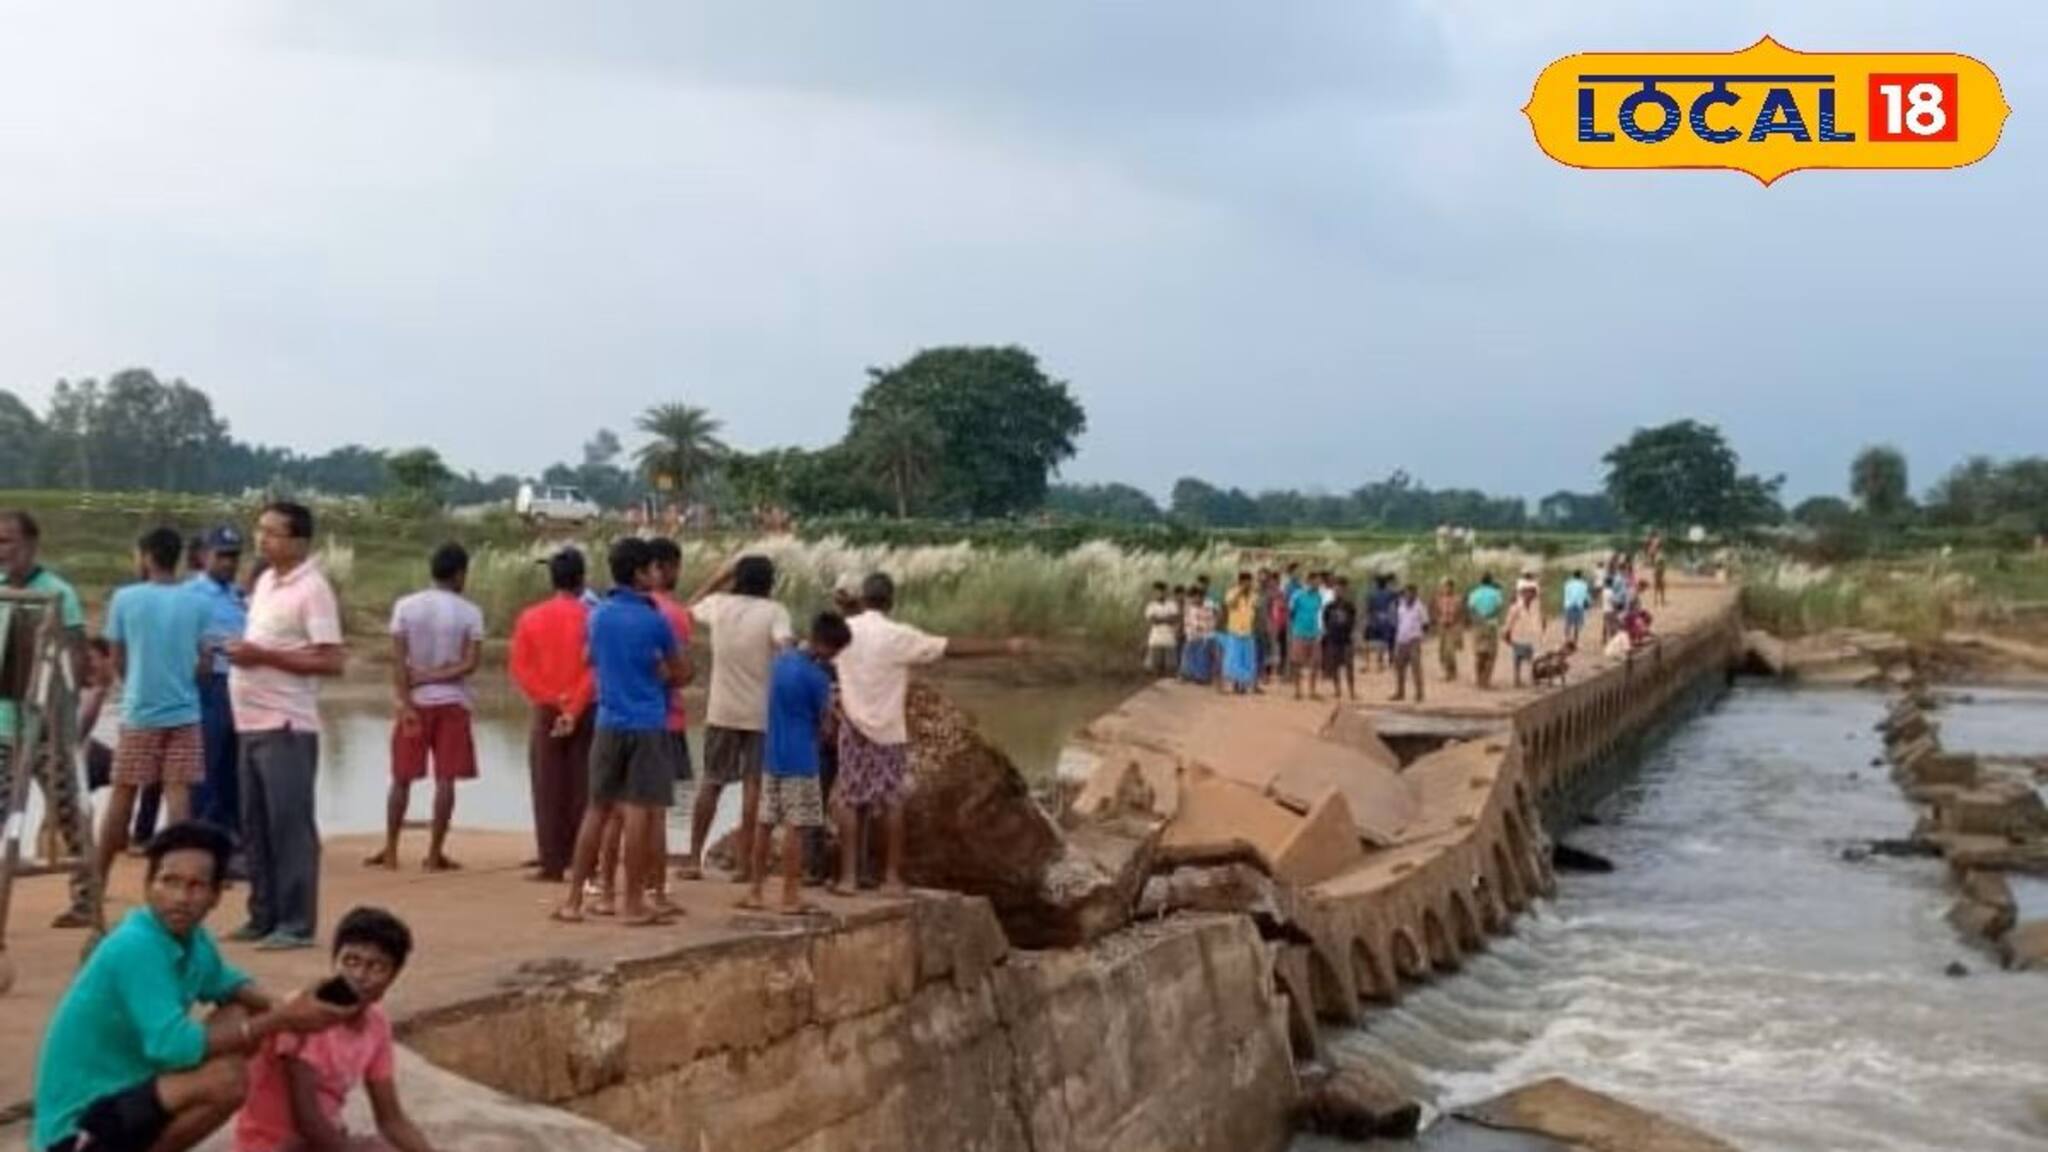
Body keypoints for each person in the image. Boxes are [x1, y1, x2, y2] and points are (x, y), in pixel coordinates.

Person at [32, 821, 350, 1152]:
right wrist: (283, 1019)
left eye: (197, 886)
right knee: (226, 1080)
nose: (181, 898)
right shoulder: (136, 945)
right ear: (148, 885)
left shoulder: (192, 941)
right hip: (78, 1129)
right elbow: (171, 1046)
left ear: (215, 896)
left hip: (128, 1095)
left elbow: (229, 984)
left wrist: (298, 1004)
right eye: (169, 882)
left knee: (240, 1011)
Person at [831, 573, 1024, 896]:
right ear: (891, 602)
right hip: (889, 731)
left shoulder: (845, 632)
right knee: (892, 803)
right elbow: (950, 647)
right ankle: (891, 878)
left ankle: (848, 878)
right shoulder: (898, 636)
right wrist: (1005, 646)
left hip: (852, 728)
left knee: (850, 800)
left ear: (864, 599)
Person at [227, 501, 346, 952]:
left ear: (298, 541)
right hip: (250, 722)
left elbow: (331, 659)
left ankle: (296, 922)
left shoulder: (312, 589)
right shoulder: (263, 582)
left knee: (288, 825)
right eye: (260, 531)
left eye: (273, 533)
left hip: (286, 724)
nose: (262, 539)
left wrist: (263, 657)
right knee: (254, 824)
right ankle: (263, 915)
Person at [553, 538, 688, 926]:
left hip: (608, 721)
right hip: (647, 723)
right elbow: (679, 671)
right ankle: (632, 903)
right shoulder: (655, 619)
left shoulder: (597, 615)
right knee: (640, 813)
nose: (657, 575)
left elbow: (588, 658)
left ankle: (575, 899)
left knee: (596, 810)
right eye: (652, 569)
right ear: (640, 573)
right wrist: (660, 670)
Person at [231, 907, 434, 1152]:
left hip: (323, 1139)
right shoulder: (303, 1015)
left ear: (392, 977)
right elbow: (307, 1121)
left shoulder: (376, 1024)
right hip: (274, 1145)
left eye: (377, 967)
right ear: (334, 962)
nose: (359, 975)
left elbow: (391, 1120)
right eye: (351, 961)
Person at [95, 527, 214, 898]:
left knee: (123, 797)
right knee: (179, 799)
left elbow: (117, 657)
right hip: (185, 713)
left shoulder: (125, 599)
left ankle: (95, 884)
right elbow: (204, 662)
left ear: (146, 556)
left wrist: (136, 684)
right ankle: (179, 881)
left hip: (140, 712)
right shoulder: (196, 602)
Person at [0, 509, 98, 928]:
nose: (2, 551)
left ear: (31, 545)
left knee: (68, 811)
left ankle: (86, 899)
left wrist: (63, 712)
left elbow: (76, 661)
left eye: (8, 542)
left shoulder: (58, 592)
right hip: (4, 723)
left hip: (46, 727)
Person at [368, 543, 484, 873]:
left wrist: (405, 701)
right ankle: (434, 853)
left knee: (401, 777)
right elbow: (470, 663)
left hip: (415, 702)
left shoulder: (405, 606)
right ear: (460, 573)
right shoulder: (470, 612)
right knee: (445, 778)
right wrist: (437, 675)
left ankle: (391, 850)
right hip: (452, 701)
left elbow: (398, 660)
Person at [682, 553, 792, 884]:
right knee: (753, 787)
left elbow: (687, 608)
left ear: (737, 580)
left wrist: (717, 578)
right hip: (760, 711)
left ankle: (692, 858)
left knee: (711, 783)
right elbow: (785, 648)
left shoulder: (718, 605)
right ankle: (746, 865)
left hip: (722, 709)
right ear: (769, 583)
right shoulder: (775, 612)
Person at [742, 612, 851, 914]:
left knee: (764, 824)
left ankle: (755, 891)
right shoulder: (817, 678)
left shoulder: (779, 663)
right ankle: (790, 895)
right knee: (796, 827)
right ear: (828, 646)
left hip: (772, 756)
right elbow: (825, 725)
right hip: (802, 759)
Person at [508, 549, 596, 883]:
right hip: (585, 708)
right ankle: (583, 857)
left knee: (547, 786)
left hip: (546, 710)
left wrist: (552, 700)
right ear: (582, 579)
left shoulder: (530, 617)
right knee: (582, 785)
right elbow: (595, 669)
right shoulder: (592, 618)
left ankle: (551, 861)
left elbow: (520, 669)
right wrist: (573, 705)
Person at [186, 526, 249, 840]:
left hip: (241, 683)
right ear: (203, 556)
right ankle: (205, 834)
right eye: (222, 555)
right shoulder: (190, 595)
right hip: (209, 684)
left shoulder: (239, 596)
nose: (228, 563)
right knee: (207, 762)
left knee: (235, 764)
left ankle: (231, 833)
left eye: (234, 556)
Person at [1219, 572, 1260, 695]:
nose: (1248, 584)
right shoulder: (1232, 592)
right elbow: (1229, 604)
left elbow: (1256, 611)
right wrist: (1240, 592)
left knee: (1247, 660)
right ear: (1240, 582)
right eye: (1245, 582)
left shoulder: (1254, 595)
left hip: (1248, 631)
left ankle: (1243, 685)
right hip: (1234, 631)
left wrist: (1255, 627)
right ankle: (1232, 684)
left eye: (1250, 581)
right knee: (1233, 659)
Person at [1286, 572, 1324, 701]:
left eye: (1319, 582)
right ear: (1310, 581)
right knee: (1297, 662)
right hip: (1299, 632)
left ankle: (1312, 691)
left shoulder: (1318, 596)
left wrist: (1320, 631)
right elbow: (1291, 613)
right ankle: (1298, 690)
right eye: (1317, 582)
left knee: (1315, 663)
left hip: (1314, 633)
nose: (1319, 584)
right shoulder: (1297, 595)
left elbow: (1319, 614)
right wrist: (1293, 629)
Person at [1390, 584, 1430, 702]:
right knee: (1399, 668)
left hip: (1414, 640)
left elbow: (1425, 623)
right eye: (1406, 593)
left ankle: (1419, 693)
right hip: (1401, 640)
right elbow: (1398, 621)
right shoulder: (1401, 606)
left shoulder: (1420, 607)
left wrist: (1420, 636)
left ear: (1415, 594)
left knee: (1416, 668)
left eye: (1410, 593)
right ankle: (1400, 692)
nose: (1408, 595)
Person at [1466, 573, 1505, 690]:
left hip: (1478, 625)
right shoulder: (1496, 594)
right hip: (1491, 625)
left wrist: (1479, 617)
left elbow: (1471, 608)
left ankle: (1479, 680)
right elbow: (1499, 607)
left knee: (1479, 653)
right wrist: (1489, 615)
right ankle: (1486, 681)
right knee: (1490, 655)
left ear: (1480, 581)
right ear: (1491, 581)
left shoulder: (1474, 593)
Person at [1503, 580, 1546, 688]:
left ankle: (1530, 679)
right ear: (1522, 593)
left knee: (1532, 659)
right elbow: (1509, 621)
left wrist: (1542, 631)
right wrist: (1506, 634)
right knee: (1518, 658)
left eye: (1532, 592)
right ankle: (1517, 679)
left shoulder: (1535, 607)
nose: (1529, 595)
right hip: (1518, 636)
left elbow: (1540, 620)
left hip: (1531, 637)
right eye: (1527, 592)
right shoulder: (1516, 607)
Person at [1321, 578, 1359, 701]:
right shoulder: (1329, 607)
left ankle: (1352, 691)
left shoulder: (1350, 606)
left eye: (1341, 590)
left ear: (1345, 591)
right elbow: (1325, 620)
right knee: (1334, 666)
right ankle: (1337, 690)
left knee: (1349, 666)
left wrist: (1350, 633)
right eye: (1336, 590)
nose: (1338, 592)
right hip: (1333, 639)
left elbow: (1353, 622)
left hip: (1346, 639)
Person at [1178, 584, 1217, 685]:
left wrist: (1208, 633)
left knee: (1203, 656)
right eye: (1193, 597)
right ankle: (1188, 675)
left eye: (1199, 596)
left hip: (1205, 636)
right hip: (1191, 635)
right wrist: (1186, 631)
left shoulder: (1208, 607)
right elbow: (1187, 621)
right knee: (1188, 655)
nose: (1196, 599)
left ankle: (1202, 677)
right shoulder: (1188, 607)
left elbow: (1211, 622)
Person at [1362, 574, 1397, 673]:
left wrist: (1367, 618)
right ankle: (1380, 663)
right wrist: (1392, 580)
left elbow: (1368, 608)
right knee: (1382, 642)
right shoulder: (1389, 593)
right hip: (1385, 618)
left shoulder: (1371, 594)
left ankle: (1367, 663)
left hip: (1374, 618)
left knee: (1367, 642)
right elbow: (1396, 595)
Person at [1433, 577, 1464, 683]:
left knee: (1449, 651)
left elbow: (1460, 614)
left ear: (1452, 587)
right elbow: (1436, 612)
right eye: (1444, 586)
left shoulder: (1457, 599)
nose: (1446, 589)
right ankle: (1449, 671)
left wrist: (1459, 629)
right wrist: (1438, 621)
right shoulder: (1439, 599)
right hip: (1442, 626)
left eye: (1448, 586)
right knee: (1442, 651)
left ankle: (1450, 673)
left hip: (1453, 626)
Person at [1143, 582, 1178, 677]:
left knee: (1170, 665)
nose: (1160, 594)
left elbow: (1174, 619)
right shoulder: (1151, 605)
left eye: (1162, 591)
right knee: (1155, 664)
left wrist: (1159, 618)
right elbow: (1153, 620)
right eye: (1157, 592)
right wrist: (1166, 618)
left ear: (1165, 592)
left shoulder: (1171, 604)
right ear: (1154, 593)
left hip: (1169, 637)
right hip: (1156, 637)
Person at [1562, 569, 1592, 648]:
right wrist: (1589, 603)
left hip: (1569, 605)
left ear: (1573, 575)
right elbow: (1586, 596)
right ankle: (1575, 641)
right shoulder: (1584, 584)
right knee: (1577, 625)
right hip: (1579, 606)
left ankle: (1566, 640)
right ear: (1581, 576)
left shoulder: (1567, 584)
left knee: (1568, 624)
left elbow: (1566, 594)